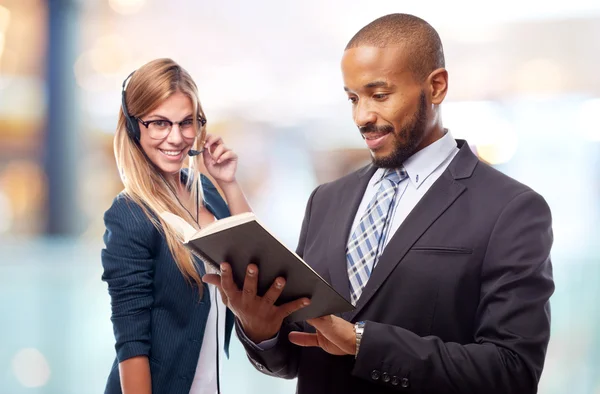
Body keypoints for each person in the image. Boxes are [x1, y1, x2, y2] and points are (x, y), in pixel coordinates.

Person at [203, 13, 555, 394]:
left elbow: (512, 372)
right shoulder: (326, 200)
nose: (362, 116)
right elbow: (293, 357)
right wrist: (261, 327)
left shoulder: (511, 209)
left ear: (436, 87)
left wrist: (361, 342)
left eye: (379, 95)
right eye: (353, 98)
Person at [101, 58, 251, 394]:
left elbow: (253, 258)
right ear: (133, 126)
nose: (177, 137)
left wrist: (229, 183)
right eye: (159, 123)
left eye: (186, 122)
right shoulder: (129, 213)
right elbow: (131, 341)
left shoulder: (207, 191)